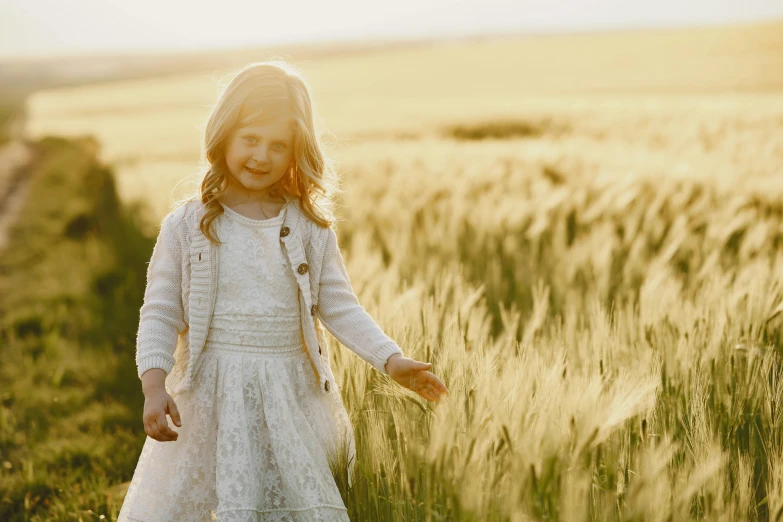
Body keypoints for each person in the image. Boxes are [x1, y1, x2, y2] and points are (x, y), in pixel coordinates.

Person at [117, 59, 449, 522]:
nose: (261, 155)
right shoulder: (187, 226)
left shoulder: (309, 227)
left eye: (278, 145)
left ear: (297, 150)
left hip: (290, 396)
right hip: (209, 396)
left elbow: (339, 305)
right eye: (250, 139)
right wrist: (154, 385)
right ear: (224, 134)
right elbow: (159, 310)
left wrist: (391, 359)